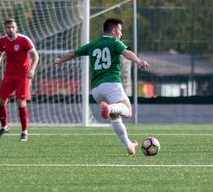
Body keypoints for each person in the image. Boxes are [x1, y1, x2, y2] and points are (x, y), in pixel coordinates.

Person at [53, 18, 150, 155]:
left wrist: (59, 60)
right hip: (111, 84)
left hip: (96, 90)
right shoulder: (115, 42)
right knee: (127, 111)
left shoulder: (93, 44)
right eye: (120, 31)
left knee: (116, 117)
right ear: (113, 30)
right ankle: (109, 108)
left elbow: (72, 53)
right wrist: (139, 61)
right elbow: (126, 53)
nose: (121, 34)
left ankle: (129, 145)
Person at [0, 19, 40, 142]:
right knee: (1, 101)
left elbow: (35, 55)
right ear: (5, 28)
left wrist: (32, 69)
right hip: (9, 75)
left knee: (21, 103)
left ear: (16, 28)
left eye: (12, 27)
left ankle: (24, 132)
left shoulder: (24, 40)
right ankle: (4, 127)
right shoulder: (3, 41)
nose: (10, 29)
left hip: (23, 76)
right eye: (8, 27)